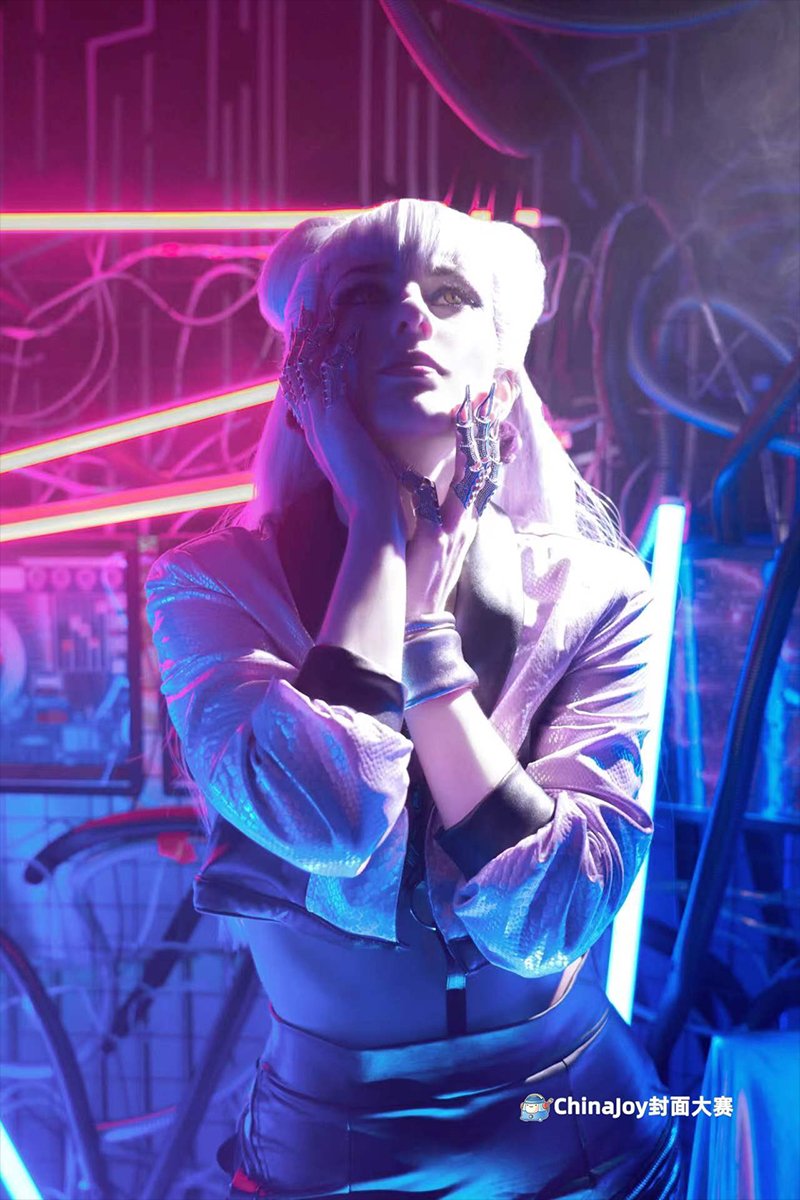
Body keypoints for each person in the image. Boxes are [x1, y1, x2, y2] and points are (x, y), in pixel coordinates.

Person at [145, 199, 686, 1199]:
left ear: (502, 370)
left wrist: (428, 640)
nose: (408, 316)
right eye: (364, 294)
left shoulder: (599, 592)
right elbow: (325, 818)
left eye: (448, 295)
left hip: (584, 1127)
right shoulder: (207, 587)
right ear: (303, 372)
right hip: (334, 1144)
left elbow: (550, 918)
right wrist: (377, 536)